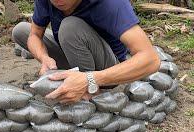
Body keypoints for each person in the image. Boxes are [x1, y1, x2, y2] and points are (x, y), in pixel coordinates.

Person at [12, 0, 160, 104]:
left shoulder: (110, 4)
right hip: (73, 51)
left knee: (69, 27)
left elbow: (151, 59)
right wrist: (44, 57)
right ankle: (73, 77)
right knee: (21, 30)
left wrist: (90, 79)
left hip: (106, 66)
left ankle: (88, 89)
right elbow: (34, 35)